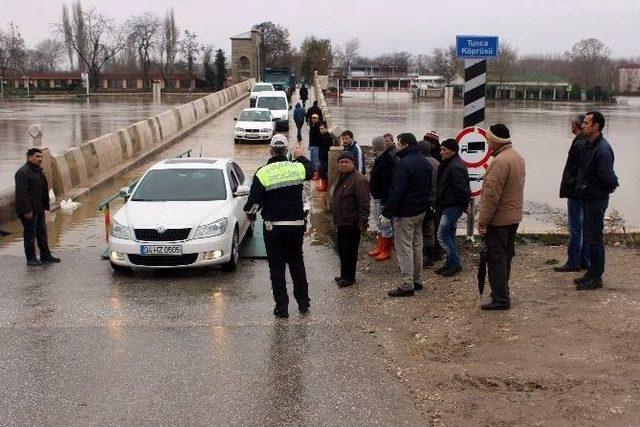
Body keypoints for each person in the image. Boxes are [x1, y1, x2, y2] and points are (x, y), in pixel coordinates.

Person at [244, 134, 313, 318]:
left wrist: (250, 215)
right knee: (297, 264)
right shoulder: (297, 167)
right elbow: (312, 170)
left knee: (277, 268)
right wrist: (300, 156)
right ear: (286, 150)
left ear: (271, 150)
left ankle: (282, 308)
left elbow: (252, 205)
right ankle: (303, 303)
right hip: (296, 226)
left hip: (273, 229)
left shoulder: (263, 172)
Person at [477, 124, 525, 310]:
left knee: (496, 259)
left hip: (499, 220)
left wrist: (482, 221)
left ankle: (501, 299)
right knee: (506, 257)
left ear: (495, 141)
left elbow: (491, 196)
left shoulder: (499, 162)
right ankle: (500, 291)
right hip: (513, 217)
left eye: (488, 139)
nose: (487, 142)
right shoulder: (517, 157)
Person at [572, 111, 619, 290]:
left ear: (596, 126)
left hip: (596, 200)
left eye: (586, 123)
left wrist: (604, 189)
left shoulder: (602, 149)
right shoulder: (591, 145)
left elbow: (608, 178)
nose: (582, 125)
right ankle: (592, 272)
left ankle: (596, 277)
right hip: (589, 198)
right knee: (591, 237)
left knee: (595, 239)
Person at [381, 133, 432, 297]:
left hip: (405, 213)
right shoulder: (425, 161)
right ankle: (417, 280)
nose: (396, 146)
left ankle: (406, 284)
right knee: (417, 246)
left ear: (405, 144)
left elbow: (397, 191)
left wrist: (387, 213)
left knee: (404, 249)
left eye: (398, 143)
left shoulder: (403, 164)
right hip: (421, 211)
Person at [14, 148, 60, 266]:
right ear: (29, 157)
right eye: (37, 156)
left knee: (42, 232)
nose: (40, 159)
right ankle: (31, 259)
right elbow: (21, 193)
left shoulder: (38, 171)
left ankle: (45, 255)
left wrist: (45, 205)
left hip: (38, 208)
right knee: (30, 234)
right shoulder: (23, 172)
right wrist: (27, 210)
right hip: (29, 210)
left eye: (41, 157)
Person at [330, 151, 370, 288]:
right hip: (342, 221)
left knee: (350, 251)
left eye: (347, 162)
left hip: (352, 222)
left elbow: (364, 203)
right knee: (342, 249)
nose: (344, 164)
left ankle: (350, 277)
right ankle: (344, 274)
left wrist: (363, 223)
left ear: (353, 163)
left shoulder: (359, 180)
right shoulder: (342, 176)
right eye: (341, 162)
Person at [555, 114, 590, 272]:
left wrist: (573, 186)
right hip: (581, 191)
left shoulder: (580, 143)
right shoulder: (585, 142)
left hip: (577, 192)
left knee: (576, 227)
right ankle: (583, 260)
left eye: (571, 123)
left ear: (576, 124)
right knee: (582, 226)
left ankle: (574, 261)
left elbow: (580, 169)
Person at [434, 138, 471, 276]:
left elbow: (462, 188)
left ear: (453, 151)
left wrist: (464, 204)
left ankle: (455, 263)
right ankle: (449, 263)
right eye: (441, 149)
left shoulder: (455, 166)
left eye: (444, 149)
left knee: (442, 236)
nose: (441, 152)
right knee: (449, 235)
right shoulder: (450, 163)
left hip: (452, 206)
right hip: (448, 204)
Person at [368, 133, 396, 261]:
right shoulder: (381, 157)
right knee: (378, 222)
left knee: (384, 223)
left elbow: (386, 182)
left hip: (381, 197)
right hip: (376, 195)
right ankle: (380, 247)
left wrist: (385, 201)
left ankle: (386, 250)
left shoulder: (386, 160)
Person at [417, 131, 441, 267]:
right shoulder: (437, 163)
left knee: (421, 229)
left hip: (422, 201)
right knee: (431, 229)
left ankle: (426, 256)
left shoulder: (420, 163)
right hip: (434, 201)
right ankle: (432, 256)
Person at [316, 121, 333, 192]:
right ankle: (323, 185)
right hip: (322, 157)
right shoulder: (324, 136)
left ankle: (324, 186)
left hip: (325, 158)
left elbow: (327, 148)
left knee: (324, 172)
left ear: (326, 128)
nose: (321, 130)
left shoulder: (327, 137)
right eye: (320, 129)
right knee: (322, 171)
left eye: (322, 129)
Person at [308, 114, 321, 179]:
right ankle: (313, 172)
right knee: (312, 159)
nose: (313, 119)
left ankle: (316, 174)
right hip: (312, 145)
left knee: (316, 160)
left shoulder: (318, 126)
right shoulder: (312, 125)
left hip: (316, 145)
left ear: (317, 119)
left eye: (315, 118)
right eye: (312, 118)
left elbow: (318, 137)